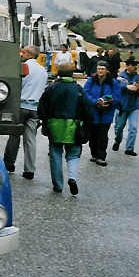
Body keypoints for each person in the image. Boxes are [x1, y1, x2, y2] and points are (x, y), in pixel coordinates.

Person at [38, 63, 91, 195]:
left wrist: (45, 121)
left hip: (54, 125)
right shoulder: (78, 89)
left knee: (55, 154)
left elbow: (42, 107)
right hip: (73, 126)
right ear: (72, 73)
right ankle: (72, 177)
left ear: (58, 73)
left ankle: (58, 185)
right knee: (73, 153)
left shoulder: (52, 88)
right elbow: (87, 109)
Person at [4, 45, 48, 179]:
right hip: (35, 108)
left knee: (14, 136)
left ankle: (9, 164)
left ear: (29, 54)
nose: (21, 55)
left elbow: (17, 86)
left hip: (21, 106)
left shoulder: (23, 67)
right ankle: (29, 170)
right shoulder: (43, 71)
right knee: (30, 140)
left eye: (23, 52)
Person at [83, 61, 120, 166]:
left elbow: (117, 97)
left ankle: (101, 156)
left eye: (102, 69)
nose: (100, 71)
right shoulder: (91, 80)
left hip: (106, 113)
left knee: (103, 135)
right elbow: (86, 93)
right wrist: (95, 102)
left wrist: (109, 101)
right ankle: (94, 154)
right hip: (93, 112)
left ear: (107, 70)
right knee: (93, 135)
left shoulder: (113, 82)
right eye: (99, 69)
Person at [112, 57, 139, 156]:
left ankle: (129, 148)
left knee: (133, 128)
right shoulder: (120, 76)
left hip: (134, 106)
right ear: (127, 66)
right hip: (121, 106)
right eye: (133, 65)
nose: (135, 67)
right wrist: (126, 87)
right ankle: (117, 140)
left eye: (135, 65)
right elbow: (114, 87)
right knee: (119, 127)